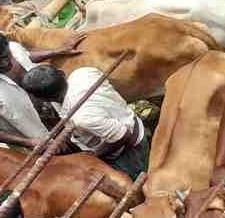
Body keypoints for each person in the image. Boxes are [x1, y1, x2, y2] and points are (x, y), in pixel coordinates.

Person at [21, 65, 149, 178]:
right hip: (127, 119)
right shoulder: (83, 73)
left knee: (136, 180)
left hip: (128, 151)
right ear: (62, 74)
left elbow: (122, 135)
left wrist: (94, 154)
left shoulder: (82, 117)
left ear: (44, 98)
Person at [0, 33, 48, 150]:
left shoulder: (14, 48)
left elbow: (26, 56)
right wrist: (29, 142)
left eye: (7, 56)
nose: (5, 63)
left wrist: (58, 51)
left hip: (56, 120)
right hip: (37, 145)